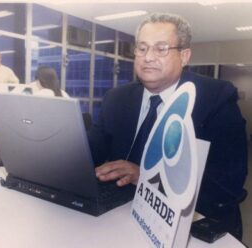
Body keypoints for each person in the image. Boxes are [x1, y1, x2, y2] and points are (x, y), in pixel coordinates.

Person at [89, 12, 247, 240]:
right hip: (121, 214)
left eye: (161, 48)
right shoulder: (117, 98)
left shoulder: (216, 98)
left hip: (193, 221)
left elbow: (228, 182)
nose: (148, 57)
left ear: (184, 56)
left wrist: (145, 177)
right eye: (142, 48)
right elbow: (90, 152)